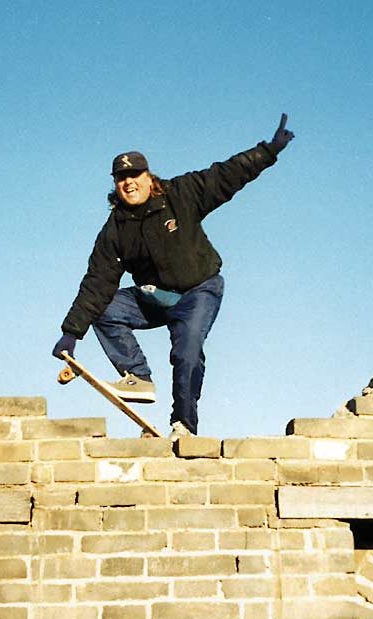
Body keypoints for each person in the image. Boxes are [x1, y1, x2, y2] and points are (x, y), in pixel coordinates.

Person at [52, 114, 294, 439]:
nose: (129, 183)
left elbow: (227, 174)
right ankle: (137, 376)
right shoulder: (115, 231)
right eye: (121, 178)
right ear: (115, 184)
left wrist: (269, 150)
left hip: (200, 289)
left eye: (135, 175)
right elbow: (97, 282)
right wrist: (72, 333)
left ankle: (183, 424)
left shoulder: (182, 194)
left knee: (187, 351)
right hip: (156, 297)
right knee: (104, 308)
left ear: (149, 177)